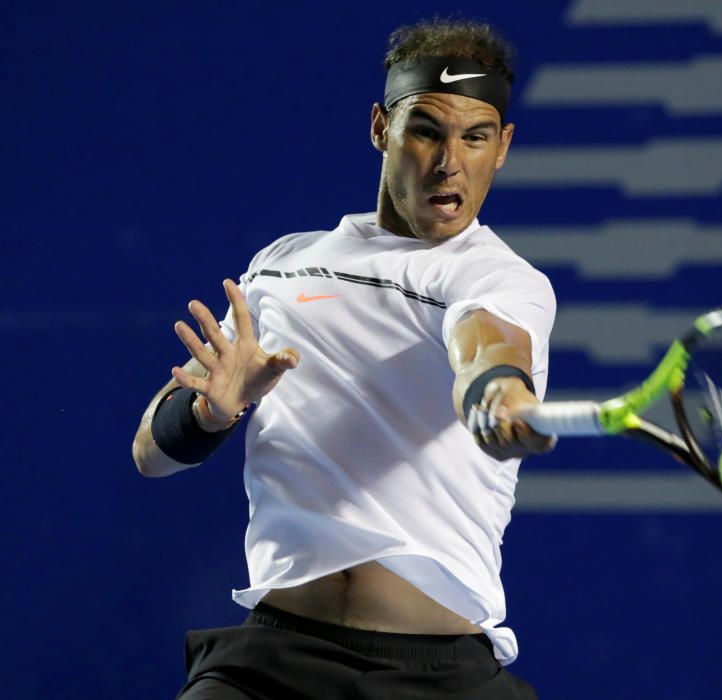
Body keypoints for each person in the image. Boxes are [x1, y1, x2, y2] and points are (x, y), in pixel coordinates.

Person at [132, 17, 555, 700]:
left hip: (440, 676)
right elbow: (150, 454)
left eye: (476, 137)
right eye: (426, 129)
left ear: (501, 147)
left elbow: (488, 345)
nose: (451, 160)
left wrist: (494, 391)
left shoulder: (499, 279)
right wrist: (209, 412)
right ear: (381, 129)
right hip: (271, 660)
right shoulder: (280, 266)